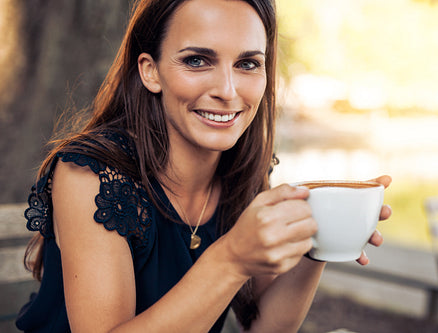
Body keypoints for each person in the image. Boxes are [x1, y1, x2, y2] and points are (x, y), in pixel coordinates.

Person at [16, 0, 392, 332]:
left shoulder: (242, 172)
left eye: (247, 63)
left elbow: (265, 327)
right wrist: (231, 258)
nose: (228, 91)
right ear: (150, 71)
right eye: (197, 60)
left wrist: (318, 242)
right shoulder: (91, 175)